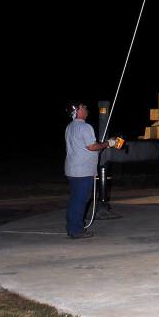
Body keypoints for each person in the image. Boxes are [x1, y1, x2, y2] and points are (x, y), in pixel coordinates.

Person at [64, 102, 110, 239]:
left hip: (72, 169)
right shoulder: (85, 127)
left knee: (75, 199)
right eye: (84, 107)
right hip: (83, 170)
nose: (86, 109)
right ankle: (77, 230)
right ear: (78, 111)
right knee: (81, 200)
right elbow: (91, 147)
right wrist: (108, 144)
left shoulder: (70, 127)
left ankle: (72, 227)